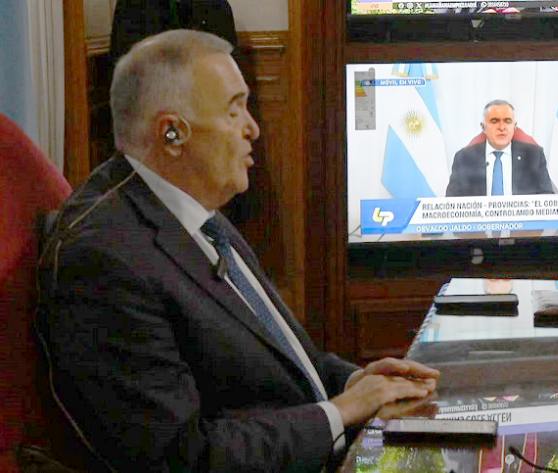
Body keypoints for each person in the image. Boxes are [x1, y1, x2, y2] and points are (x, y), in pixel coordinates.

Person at [37, 29, 439, 473]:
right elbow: (181, 458)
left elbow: (273, 364)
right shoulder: (104, 259)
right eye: (234, 110)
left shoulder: (191, 210)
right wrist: (341, 412)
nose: (254, 128)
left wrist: (355, 381)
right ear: (171, 132)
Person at [445, 100, 554, 197]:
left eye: (507, 121)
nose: (502, 127)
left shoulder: (534, 156)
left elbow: (547, 200)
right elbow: (451, 203)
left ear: (515, 126)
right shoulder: (464, 158)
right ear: (483, 127)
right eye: (494, 121)